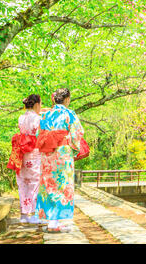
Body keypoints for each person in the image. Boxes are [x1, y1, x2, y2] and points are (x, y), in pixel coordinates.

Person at [35, 88, 84, 233]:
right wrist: (72, 144)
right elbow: (78, 132)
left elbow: (39, 133)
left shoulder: (45, 115)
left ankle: (51, 221)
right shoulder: (69, 114)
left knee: (48, 185)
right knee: (62, 185)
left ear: (53, 99)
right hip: (62, 154)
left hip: (47, 155)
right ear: (67, 99)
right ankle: (54, 222)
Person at [7, 94, 45, 225]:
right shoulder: (39, 119)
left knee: (23, 183)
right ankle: (33, 214)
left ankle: (24, 214)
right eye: (40, 104)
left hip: (22, 154)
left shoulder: (21, 117)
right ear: (36, 105)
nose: (41, 107)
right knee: (35, 183)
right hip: (34, 153)